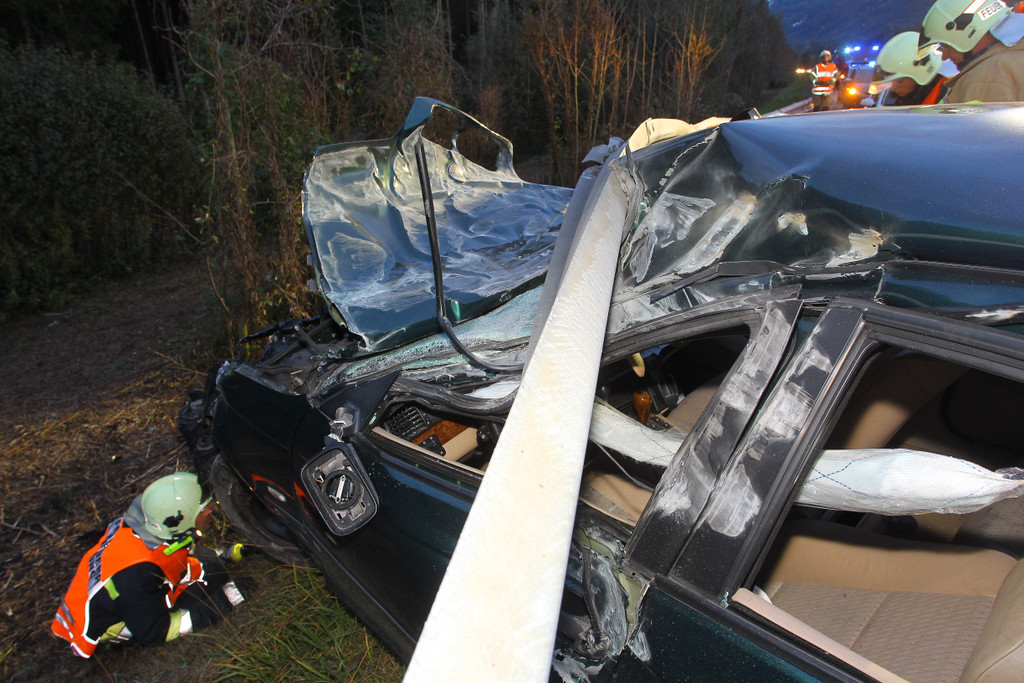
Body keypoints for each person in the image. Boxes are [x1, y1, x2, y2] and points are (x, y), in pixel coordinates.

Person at [51, 472, 252, 658]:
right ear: (180, 520)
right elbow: (156, 631)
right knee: (204, 589)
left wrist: (220, 559)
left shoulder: (147, 530)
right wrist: (225, 601)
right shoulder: (138, 575)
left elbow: (170, 562)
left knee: (216, 571)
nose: (211, 511)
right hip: (109, 623)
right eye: (204, 509)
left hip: (121, 593)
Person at [919, 0, 1024, 102]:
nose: (944, 56)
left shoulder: (985, 79)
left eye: (947, 46)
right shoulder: (1014, 58)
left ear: (970, 34)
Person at [875, 31, 958, 105]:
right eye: (892, 81)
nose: (893, 87)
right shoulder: (911, 97)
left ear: (920, 72)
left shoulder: (947, 91)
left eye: (899, 81)